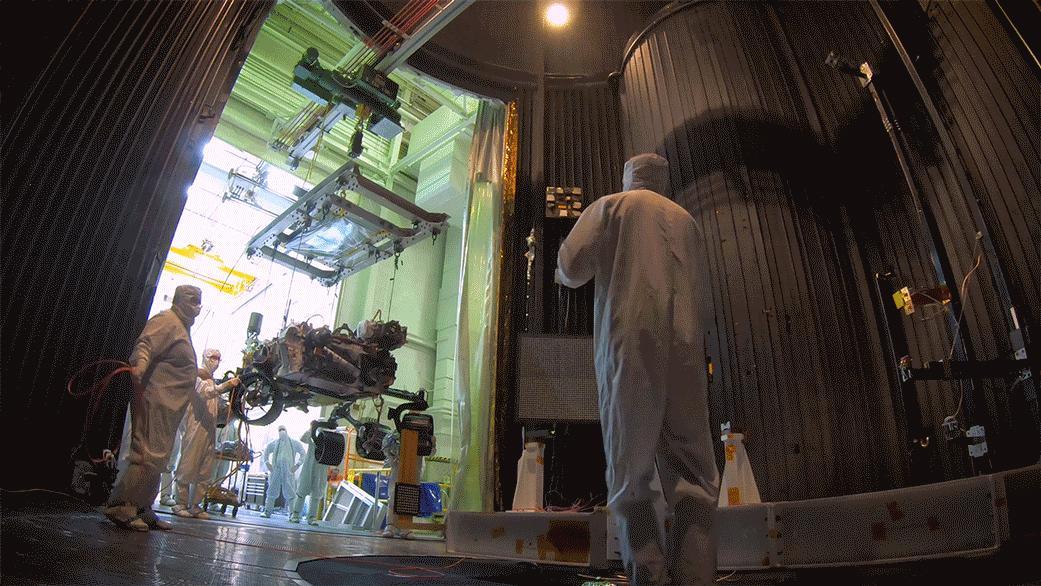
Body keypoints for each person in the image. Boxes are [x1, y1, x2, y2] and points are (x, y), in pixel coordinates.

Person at [555, 153, 720, 585]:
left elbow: (571, 267)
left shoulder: (612, 207)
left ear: (628, 177)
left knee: (631, 479)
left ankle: (648, 577)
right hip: (686, 351)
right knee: (695, 479)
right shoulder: (687, 221)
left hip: (629, 347)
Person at [104, 285, 204, 531]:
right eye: (192, 300)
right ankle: (122, 507)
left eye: (199, 301)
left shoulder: (182, 328)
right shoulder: (167, 320)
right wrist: (140, 365)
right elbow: (145, 345)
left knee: (158, 459)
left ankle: (143, 508)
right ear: (179, 300)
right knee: (145, 454)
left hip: (170, 408)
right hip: (154, 401)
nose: (197, 306)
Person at [172, 349, 240, 519]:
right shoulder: (197, 377)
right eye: (212, 358)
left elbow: (219, 408)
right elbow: (206, 392)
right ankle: (180, 503)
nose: (215, 361)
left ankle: (196, 505)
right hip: (194, 428)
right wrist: (226, 386)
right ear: (205, 358)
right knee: (188, 465)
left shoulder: (212, 381)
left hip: (209, 430)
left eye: (218, 358)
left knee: (205, 470)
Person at [262, 425, 305, 517]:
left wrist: (297, 465)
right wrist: (267, 463)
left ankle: (292, 513)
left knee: (290, 493)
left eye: (283, 429)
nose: (282, 431)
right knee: (271, 491)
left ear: (287, 430)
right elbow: (265, 452)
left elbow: (302, 453)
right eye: (280, 430)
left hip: (288, 471)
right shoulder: (274, 443)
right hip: (276, 470)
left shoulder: (293, 443)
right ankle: (267, 511)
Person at [290, 429, 331, 525]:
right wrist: (311, 429)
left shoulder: (329, 436)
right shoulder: (314, 434)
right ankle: (295, 515)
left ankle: (312, 517)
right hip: (309, 465)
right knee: (302, 490)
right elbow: (303, 439)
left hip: (322, 467)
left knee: (316, 493)